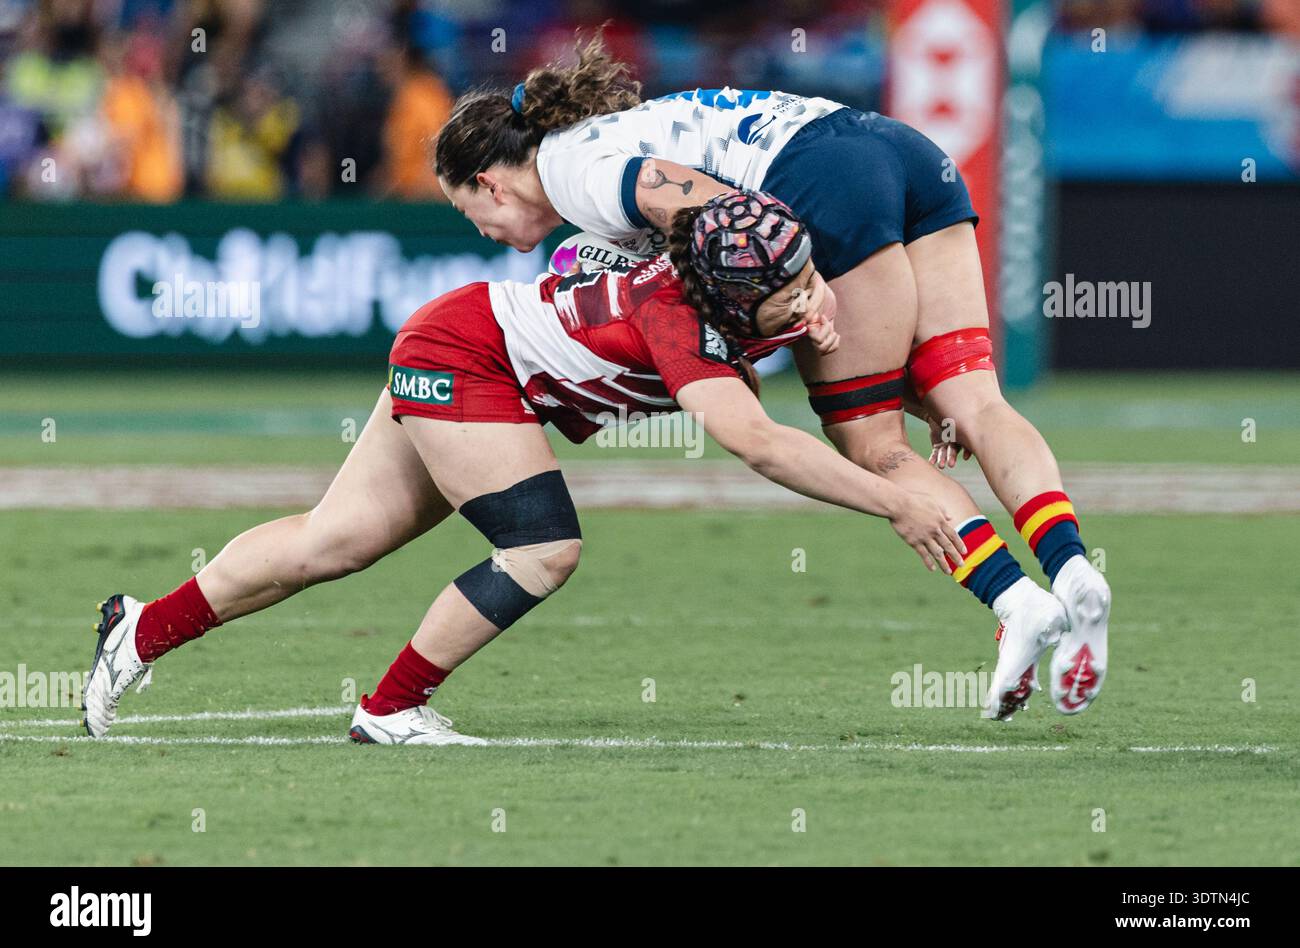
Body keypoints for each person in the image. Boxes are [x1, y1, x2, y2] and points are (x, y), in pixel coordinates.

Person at [82, 191, 964, 745]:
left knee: (332, 541)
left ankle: (139, 628)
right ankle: (390, 709)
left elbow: (788, 362)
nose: (814, 294)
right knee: (542, 548)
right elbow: (759, 440)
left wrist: (927, 407)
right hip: (468, 359)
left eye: (809, 275)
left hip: (466, 338)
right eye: (793, 291)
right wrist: (893, 502)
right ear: (731, 302)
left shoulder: (737, 280)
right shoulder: (680, 318)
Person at [431, 33, 1110, 719]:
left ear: (489, 183)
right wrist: (916, 387)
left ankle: (1015, 600)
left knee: (874, 445)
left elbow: (729, 217)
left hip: (820, 183)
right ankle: (1072, 566)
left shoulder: (575, 175)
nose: (481, 230)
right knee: (973, 401)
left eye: (467, 210)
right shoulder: (592, 155)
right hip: (900, 152)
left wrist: (806, 286)